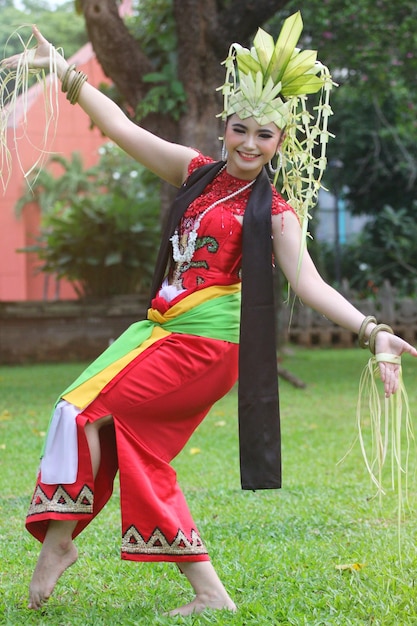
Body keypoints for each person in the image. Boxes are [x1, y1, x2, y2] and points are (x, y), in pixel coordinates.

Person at [1, 12, 416, 617]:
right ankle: (206, 592)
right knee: (108, 431)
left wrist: (374, 331)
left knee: (86, 412)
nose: (249, 143)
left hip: (204, 349)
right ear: (225, 127)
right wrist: (63, 69)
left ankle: (62, 541)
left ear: (282, 142)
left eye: (264, 135)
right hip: (158, 333)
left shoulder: (273, 211)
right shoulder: (197, 173)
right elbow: (119, 126)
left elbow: (309, 282)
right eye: (240, 129)